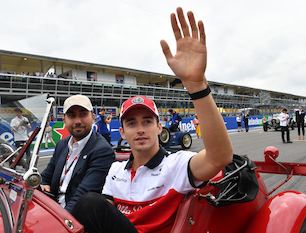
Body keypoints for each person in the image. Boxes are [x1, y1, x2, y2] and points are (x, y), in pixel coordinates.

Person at [72, 8, 233, 233]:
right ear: (122, 132)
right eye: (131, 123)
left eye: (147, 121)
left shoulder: (176, 165)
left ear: (159, 127)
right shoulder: (115, 171)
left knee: (88, 203)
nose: (140, 129)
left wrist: (196, 84)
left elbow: (220, 157)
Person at [40, 94, 115, 213]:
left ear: (93, 117)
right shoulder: (62, 145)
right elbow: (46, 176)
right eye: (71, 116)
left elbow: (83, 197)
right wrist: (43, 184)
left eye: (83, 114)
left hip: (74, 217)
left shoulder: (102, 150)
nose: (77, 121)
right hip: (53, 208)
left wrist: (60, 221)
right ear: (64, 120)